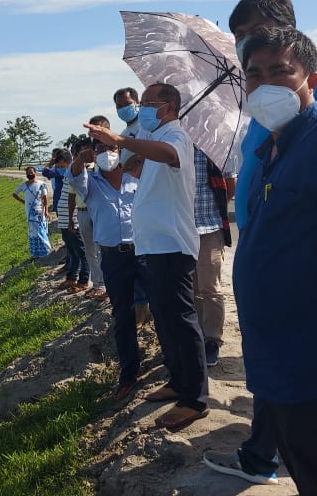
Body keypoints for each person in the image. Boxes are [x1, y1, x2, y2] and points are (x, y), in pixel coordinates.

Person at [202, 27, 317, 495]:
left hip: (316, 342)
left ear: (310, 78)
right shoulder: (265, 148)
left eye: (281, 72)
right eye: (255, 74)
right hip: (273, 346)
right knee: (302, 462)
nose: (266, 84)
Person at [86, 83, 209, 431]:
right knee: (165, 319)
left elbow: (170, 156)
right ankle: (177, 379)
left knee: (182, 323)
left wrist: (121, 141)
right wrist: (130, 158)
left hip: (171, 246)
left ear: (168, 107)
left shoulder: (176, 137)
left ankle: (196, 399)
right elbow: (144, 172)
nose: (142, 111)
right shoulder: (156, 138)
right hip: (153, 247)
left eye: (149, 103)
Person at [229, 0, 317, 231]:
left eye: (258, 30)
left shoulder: (313, 89)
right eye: (240, 34)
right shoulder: (261, 99)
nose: (247, 41)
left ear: (287, 31)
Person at [69, 141, 142, 400]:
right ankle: (129, 373)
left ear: (120, 151)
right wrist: (80, 158)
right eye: (100, 150)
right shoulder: (90, 184)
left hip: (144, 254)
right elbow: (75, 174)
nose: (107, 154)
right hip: (113, 258)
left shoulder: (136, 178)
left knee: (161, 306)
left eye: (111, 148)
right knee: (123, 316)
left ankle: (172, 365)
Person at [113, 87, 153, 323]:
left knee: (146, 258)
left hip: (148, 194)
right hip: (132, 199)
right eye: (118, 106)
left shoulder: (147, 130)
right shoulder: (125, 133)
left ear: (137, 102)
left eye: (126, 103)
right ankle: (141, 307)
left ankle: (149, 307)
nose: (123, 109)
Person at [192, 146, 232, 367]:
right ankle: (197, 334)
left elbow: (229, 184)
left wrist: (219, 208)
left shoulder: (213, 150)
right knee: (192, 288)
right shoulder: (175, 148)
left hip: (209, 228)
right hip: (183, 229)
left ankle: (212, 340)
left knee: (210, 287)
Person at [79, 119, 111, 299]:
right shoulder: (91, 163)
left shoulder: (119, 157)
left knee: (103, 250)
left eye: (99, 128)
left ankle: (105, 284)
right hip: (89, 211)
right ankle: (99, 283)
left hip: (109, 216)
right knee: (91, 249)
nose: (96, 131)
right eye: (92, 130)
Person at [52, 149, 90, 292]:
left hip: (72, 217)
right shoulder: (68, 174)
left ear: (68, 161)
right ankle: (71, 277)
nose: (61, 169)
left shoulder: (76, 172)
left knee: (81, 252)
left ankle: (84, 279)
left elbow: (74, 198)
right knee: (72, 250)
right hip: (64, 218)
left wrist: (71, 219)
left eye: (62, 166)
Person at [11, 167, 52, 259]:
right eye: (28, 173)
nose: (30, 174)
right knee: (32, 232)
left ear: (35, 173)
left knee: (41, 230)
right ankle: (35, 253)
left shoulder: (41, 184)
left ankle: (45, 250)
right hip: (29, 212)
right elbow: (14, 194)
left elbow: (45, 199)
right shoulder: (23, 185)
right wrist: (23, 201)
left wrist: (46, 211)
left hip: (40, 212)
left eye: (31, 172)